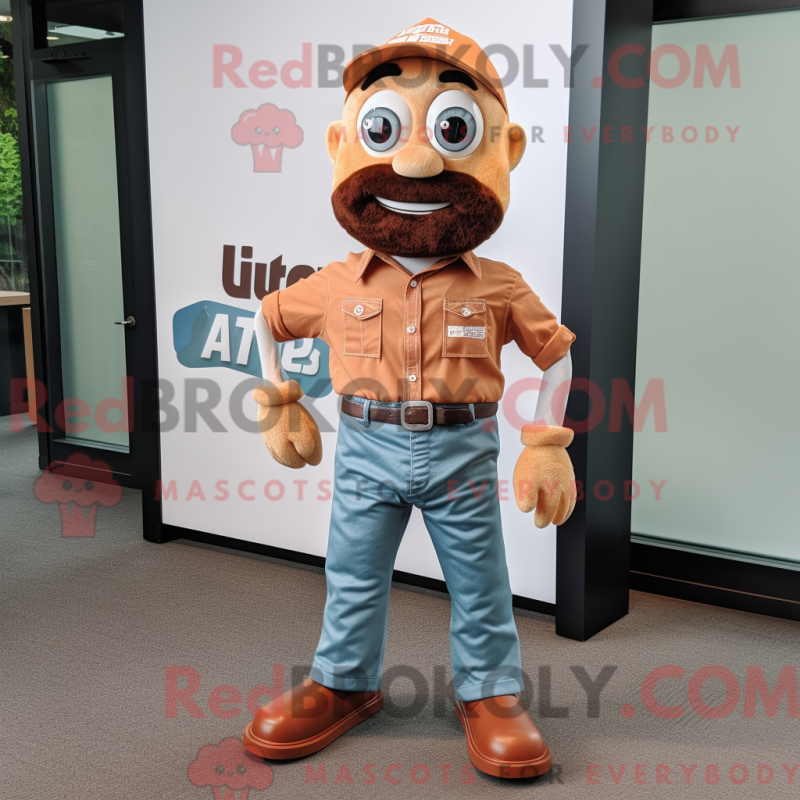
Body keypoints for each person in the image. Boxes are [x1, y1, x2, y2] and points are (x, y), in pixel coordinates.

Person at [242, 19, 576, 779]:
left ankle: (489, 694)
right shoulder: (338, 282)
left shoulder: (499, 285)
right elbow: (267, 318)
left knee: (480, 582)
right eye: (384, 130)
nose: (417, 160)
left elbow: (555, 355)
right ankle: (343, 684)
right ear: (345, 143)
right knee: (352, 574)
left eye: (453, 131)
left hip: (463, 451)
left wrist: (546, 443)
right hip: (366, 450)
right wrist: (281, 398)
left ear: (502, 149)